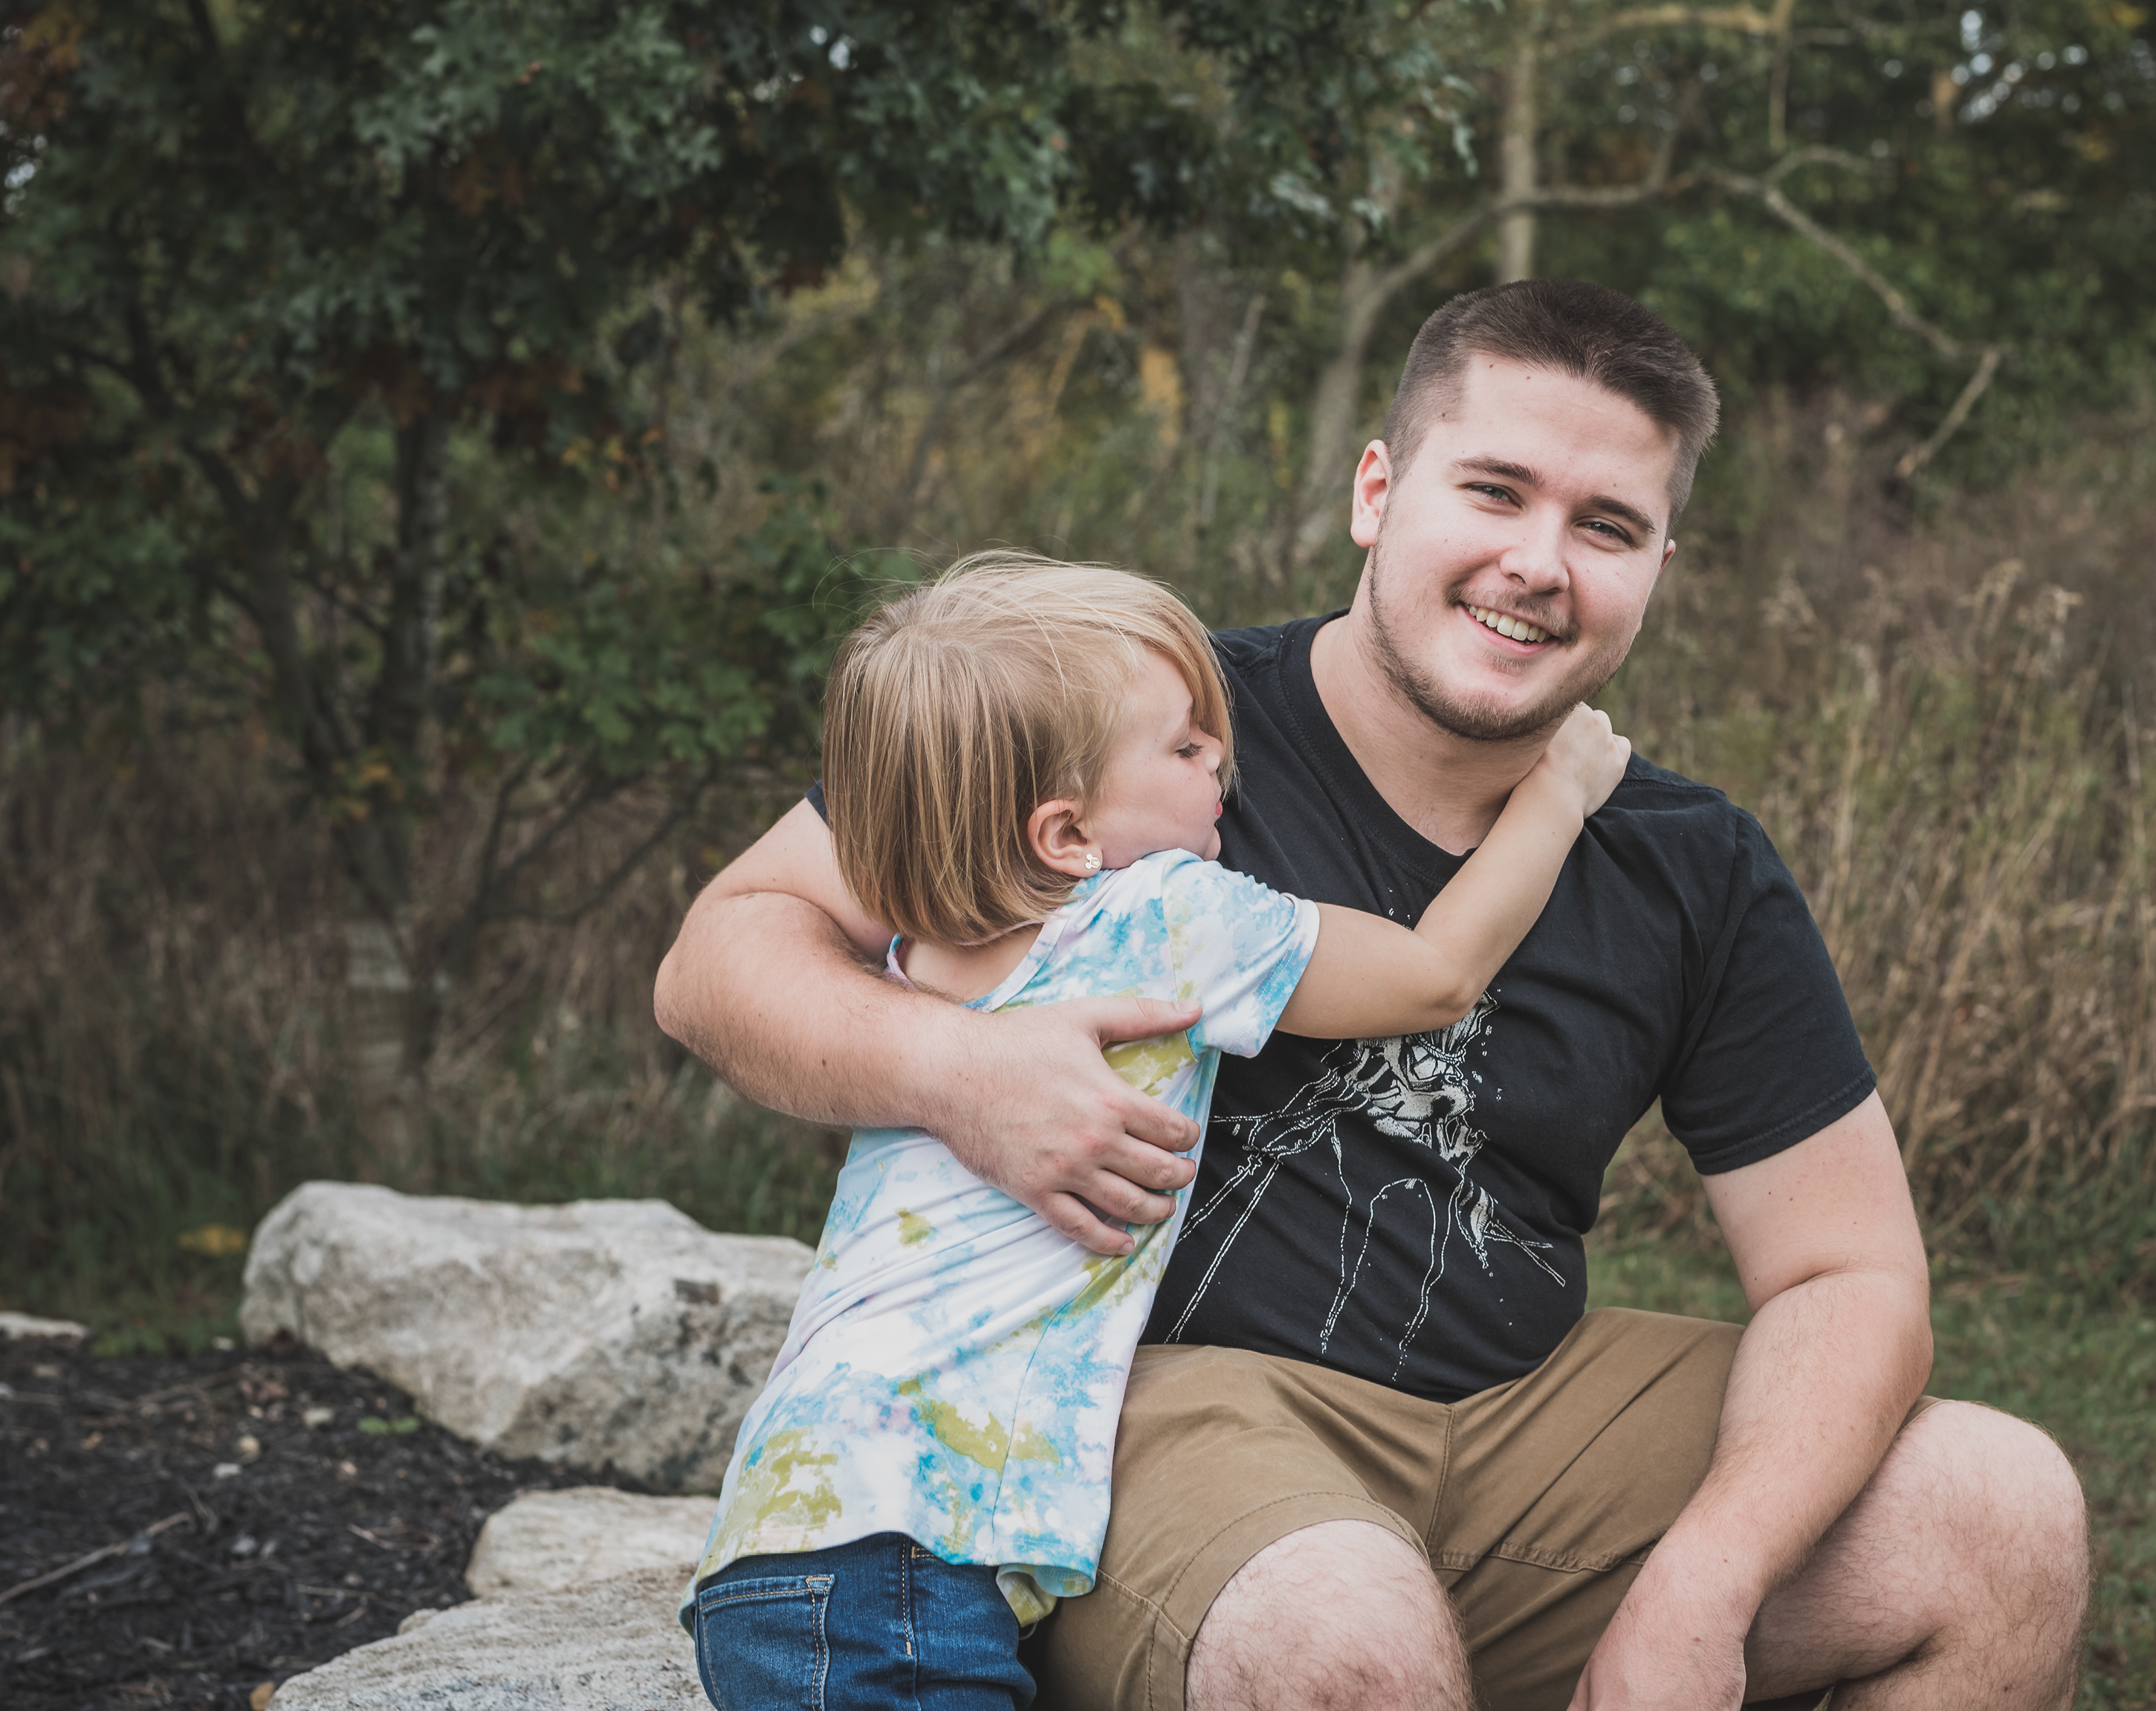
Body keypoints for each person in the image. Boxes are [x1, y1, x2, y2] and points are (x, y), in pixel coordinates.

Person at [658, 279, 2091, 1711]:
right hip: (1175, 1413)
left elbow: (1850, 1273)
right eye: (1495, 491)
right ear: (1377, 492)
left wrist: (1704, 1589)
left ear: (1660, 562)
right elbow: (724, 953)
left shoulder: (1691, 863)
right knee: (1349, 1637)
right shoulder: (1134, 736)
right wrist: (959, 1073)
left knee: (1999, 1516)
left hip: (1524, 1417)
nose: (1539, 563)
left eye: (1606, 526)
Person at [683, 554, 1630, 1711]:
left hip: (799, 1529)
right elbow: (1435, 975)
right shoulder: (1157, 914)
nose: (1222, 759)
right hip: (909, 1567)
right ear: (1068, 833)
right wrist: (1561, 791)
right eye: (1184, 748)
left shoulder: (916, 953)